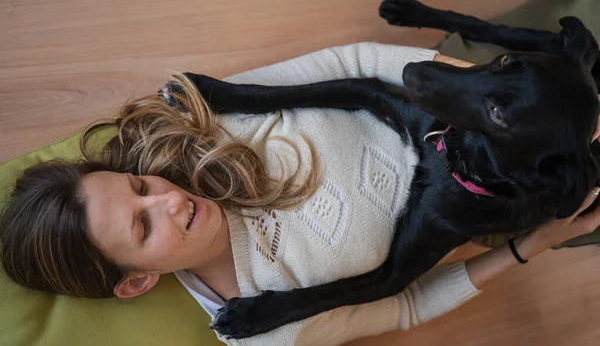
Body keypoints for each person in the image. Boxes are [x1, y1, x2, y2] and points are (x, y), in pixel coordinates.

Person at [2, 43, 600, 345]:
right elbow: (408, 304)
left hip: (463, 88)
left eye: (139, 186)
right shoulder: (267, 327)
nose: (168, 199)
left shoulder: (204, 133)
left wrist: (501, 101)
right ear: (136, 281)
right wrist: (538, 244)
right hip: (515, 205)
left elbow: (355, 62)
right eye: (142, 226)